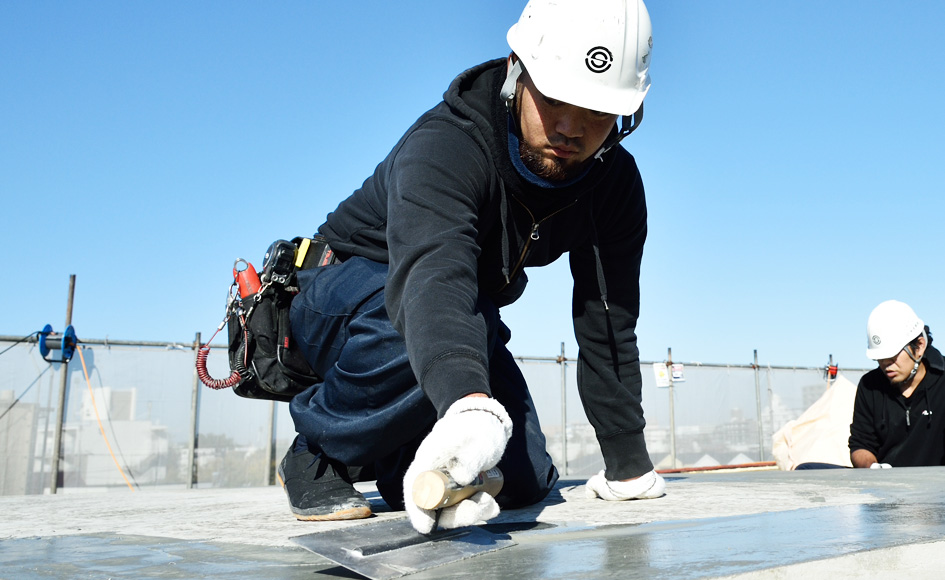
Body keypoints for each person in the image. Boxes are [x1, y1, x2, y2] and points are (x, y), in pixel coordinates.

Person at [279, 0, 666, 534]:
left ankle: (402, 460)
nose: (571, 128)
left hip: (464, 318)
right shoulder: (448, 144)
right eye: (555, 98)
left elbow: (607, 320)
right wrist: (468, 405)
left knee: (521, 477)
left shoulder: (613, 186)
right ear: (517, 68)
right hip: (345, 297)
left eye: (598, 111)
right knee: (428, 326)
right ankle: (322, 449)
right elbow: (432, 279)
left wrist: (628, 464)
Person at [849, 300, 945, 468]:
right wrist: (872, 468)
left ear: (920, 346)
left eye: (892, 355)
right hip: (885, 491)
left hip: (939, 490)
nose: (886, 364)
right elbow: (861, 445)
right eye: (880, 357)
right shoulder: (869, 386)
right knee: (807, 468)